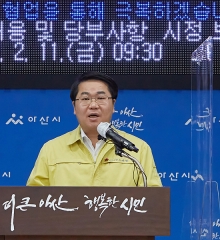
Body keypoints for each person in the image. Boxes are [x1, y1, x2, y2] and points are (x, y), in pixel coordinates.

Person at [26, 71, 162, 187]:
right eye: (85, 99)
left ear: (113, 104)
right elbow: (35, 200)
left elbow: (153, 201)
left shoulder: (138, 149)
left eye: (101, 98)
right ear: (74, 107)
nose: (93, 105)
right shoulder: (51, 150)